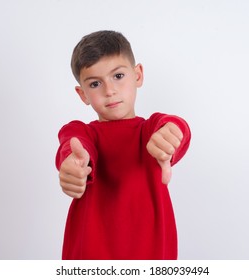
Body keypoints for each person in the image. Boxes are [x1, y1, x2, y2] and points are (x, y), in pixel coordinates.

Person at [55, 30, 191, 260]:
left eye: (118, 76)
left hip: (151, 255)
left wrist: (172, 135)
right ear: (83, 94)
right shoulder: (82, 133)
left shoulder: (151, 130)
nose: (110, 91)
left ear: (137, 75)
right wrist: (73, 164)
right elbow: (73, 145)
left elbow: (173, 126)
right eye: (96, 83)